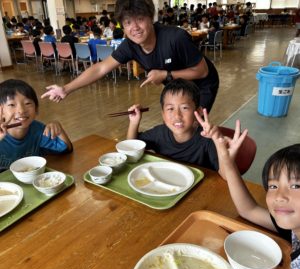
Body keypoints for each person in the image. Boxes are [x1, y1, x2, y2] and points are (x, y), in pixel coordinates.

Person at [42, 0, 219, 112]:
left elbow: (202, 71)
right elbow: (101, 68)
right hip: (176, 84)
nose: (134, 27)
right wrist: (66, 89)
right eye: (127, 22)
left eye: (140, 19)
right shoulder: (130, 46)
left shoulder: (175, 38)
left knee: (193, 124)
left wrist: (165, 75)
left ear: (151, 18)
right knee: (175, 123)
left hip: (203, 83)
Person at [195, 112, 300, 269]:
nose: (280, 196)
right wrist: (227, 162)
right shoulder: (294, 228)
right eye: (273, 185)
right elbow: (248, 209)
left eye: (296, 185)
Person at [127, 78, 226, 177]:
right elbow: (131, 147)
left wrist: (218, 141)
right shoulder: (159, 133)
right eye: (170, 109)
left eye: (184, 108)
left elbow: (226, 175)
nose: (177, 115)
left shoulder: (207, 140)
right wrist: (134, 122)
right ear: (163, 114)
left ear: (199, 111)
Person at [0, 79, 72, 171]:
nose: (21, 110)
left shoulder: (38, 130)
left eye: (27, 103)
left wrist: (58, 127)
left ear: (36, 109)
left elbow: (66, 149)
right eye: (12, 105)